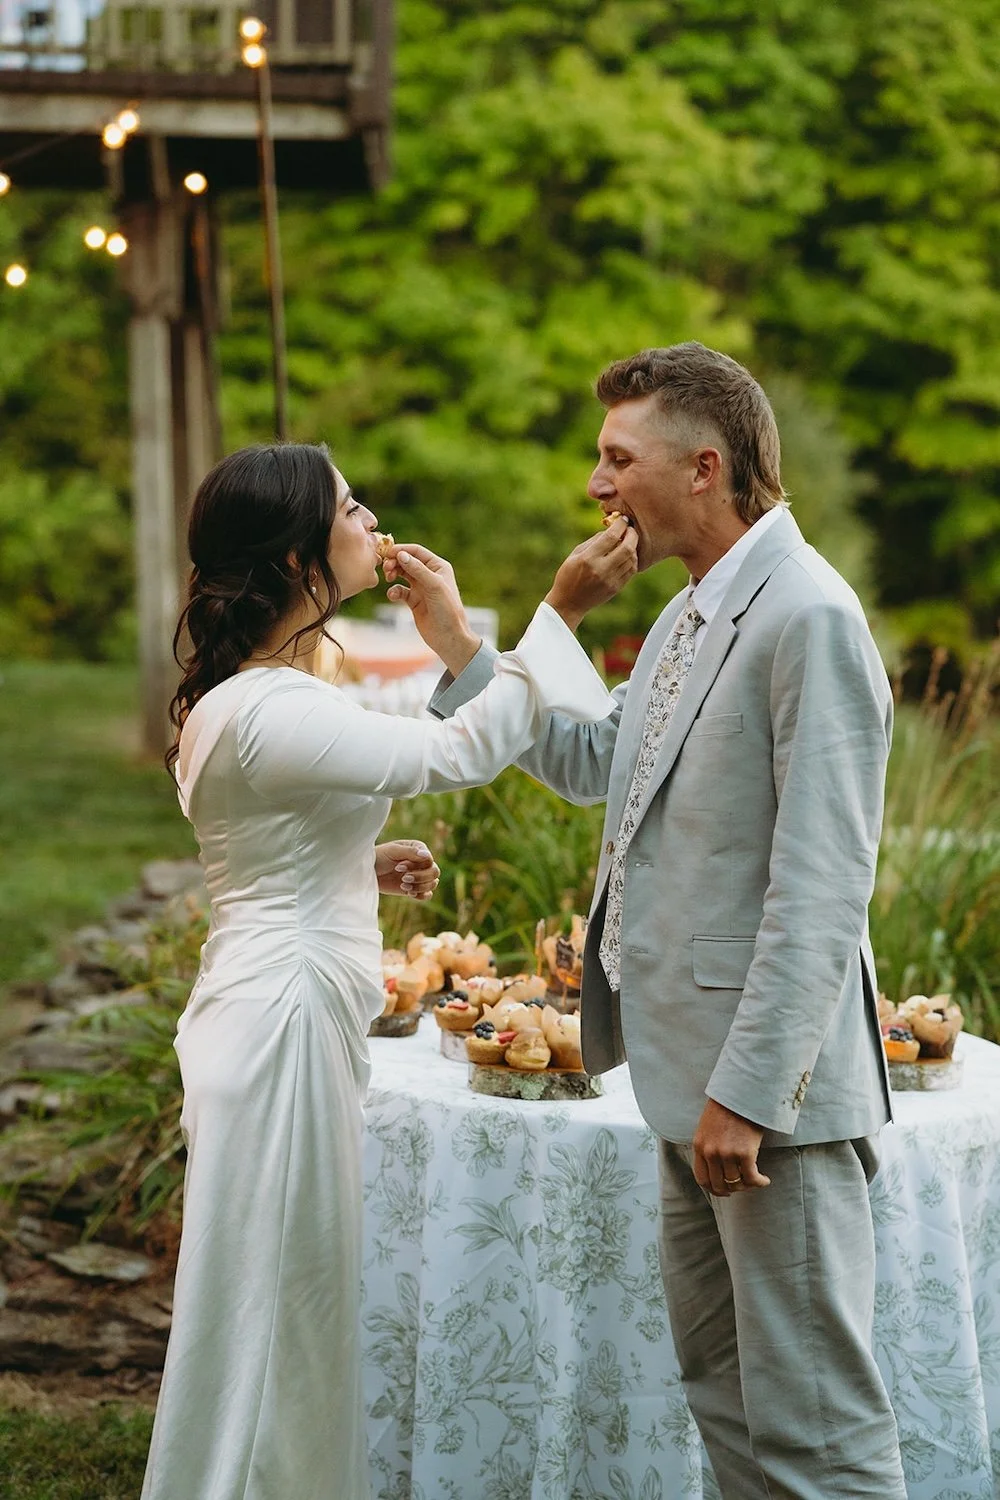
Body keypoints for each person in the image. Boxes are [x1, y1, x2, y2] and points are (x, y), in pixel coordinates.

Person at [388, 343, 908, 1498]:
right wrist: (460, 647)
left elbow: (823, 880)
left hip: (764, 1105)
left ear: (704, 467)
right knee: (724, 1393)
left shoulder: (809, 615)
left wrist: (750, 1096)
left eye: (616, 458)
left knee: (817, 1424)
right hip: (683, 1079)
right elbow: (588, 763)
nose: (595, 485)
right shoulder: (687, 616)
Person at [139, 441, 614, 1500]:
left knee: (273, 1285)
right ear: (302, 552)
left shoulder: (243, 697)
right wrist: (560, 612)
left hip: (261, 997)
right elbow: (452, 756)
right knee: (282, 1293)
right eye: (351, 506)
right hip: (285, 1024)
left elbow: (279, 835)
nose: (371, 518)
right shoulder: (272, 705)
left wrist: (352, 861)